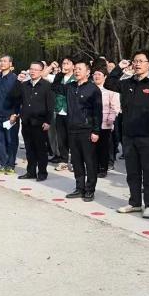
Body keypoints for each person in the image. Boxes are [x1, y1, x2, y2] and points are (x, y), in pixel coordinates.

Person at [105, 51, 149, 218]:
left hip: (148, 135)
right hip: (129, 134)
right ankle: (134, 202)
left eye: (141, 61)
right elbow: (108, 84)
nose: (137, 64)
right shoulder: (127, 83)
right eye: (135, 61)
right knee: (132, 172)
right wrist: (118, 68)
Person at [52, 58, 102, 202]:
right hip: (72, 129)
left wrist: (96, 131)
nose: (77, 71)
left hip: (87, 130)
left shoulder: (93, 89)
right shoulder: (70, 87)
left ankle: (90, 189)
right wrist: (61, 74)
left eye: (80, 69)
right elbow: (54, 87)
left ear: (88, 72)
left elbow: (98, 112)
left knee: (89, 161)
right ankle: (79, 187)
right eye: (76, 69)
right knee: (76, 161)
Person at [11, 61, 55, 181]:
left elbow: (50, 105)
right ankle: (30, 171)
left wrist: (48, 121)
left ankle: (42, 172)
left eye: (36, 69)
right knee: (29, 149)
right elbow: (14, 96)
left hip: (40, 123)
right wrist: (18, 81)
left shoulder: (47, 86)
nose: (33, 71)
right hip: (26, 122)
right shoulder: (24, 85)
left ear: (41, 71)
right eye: (31, 69)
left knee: (40, 149)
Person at [44, 57, 76, 172]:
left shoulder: (76, 77)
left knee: (72, 138)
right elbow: (43, 75)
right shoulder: (58, 77)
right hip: (59, 111)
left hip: (71, 112)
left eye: (67, 63)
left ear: (73, 66)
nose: (65, 65)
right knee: (61, 138)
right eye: (63, 63)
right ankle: (63, 160)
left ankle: (74, 161)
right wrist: (51, 66)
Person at [92, 67, 120, 178]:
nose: (97, 76)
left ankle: (103, 168)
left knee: (103, 147)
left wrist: (111, 119)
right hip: (91, 122)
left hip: (105, 123)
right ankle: (94, 166)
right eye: (95, 74)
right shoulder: (90, 88)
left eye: (99, 74)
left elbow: (115, 106)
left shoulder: (111, 89)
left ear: (105, 77)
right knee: (92, 147)